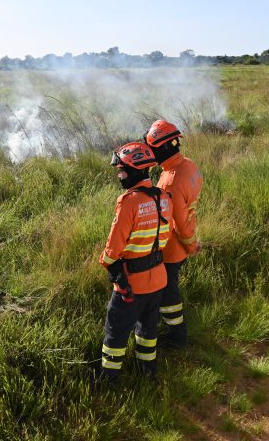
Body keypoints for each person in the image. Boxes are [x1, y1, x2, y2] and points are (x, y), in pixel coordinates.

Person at [99, 141, 173, 383]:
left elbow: (113, 248)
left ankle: (109, 379)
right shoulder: (164, 197)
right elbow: (165, 236)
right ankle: (148, 372)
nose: (119, 175)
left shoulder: (128, 202)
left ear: (135, 170)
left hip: (131, 284)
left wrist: (107, 262)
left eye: (122, 170)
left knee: (116, 331)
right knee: (148, 331)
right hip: (158, 279)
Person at [144, 120, 203, 347]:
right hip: (182, 243)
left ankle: (177, 336)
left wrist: (191, 246)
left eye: (152, 150)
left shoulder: (170, 182)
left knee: (169, 294)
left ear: (162, 148)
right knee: (169, 288)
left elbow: (179, 223)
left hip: (172, 249)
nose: (151, 155)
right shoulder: (189, 165)